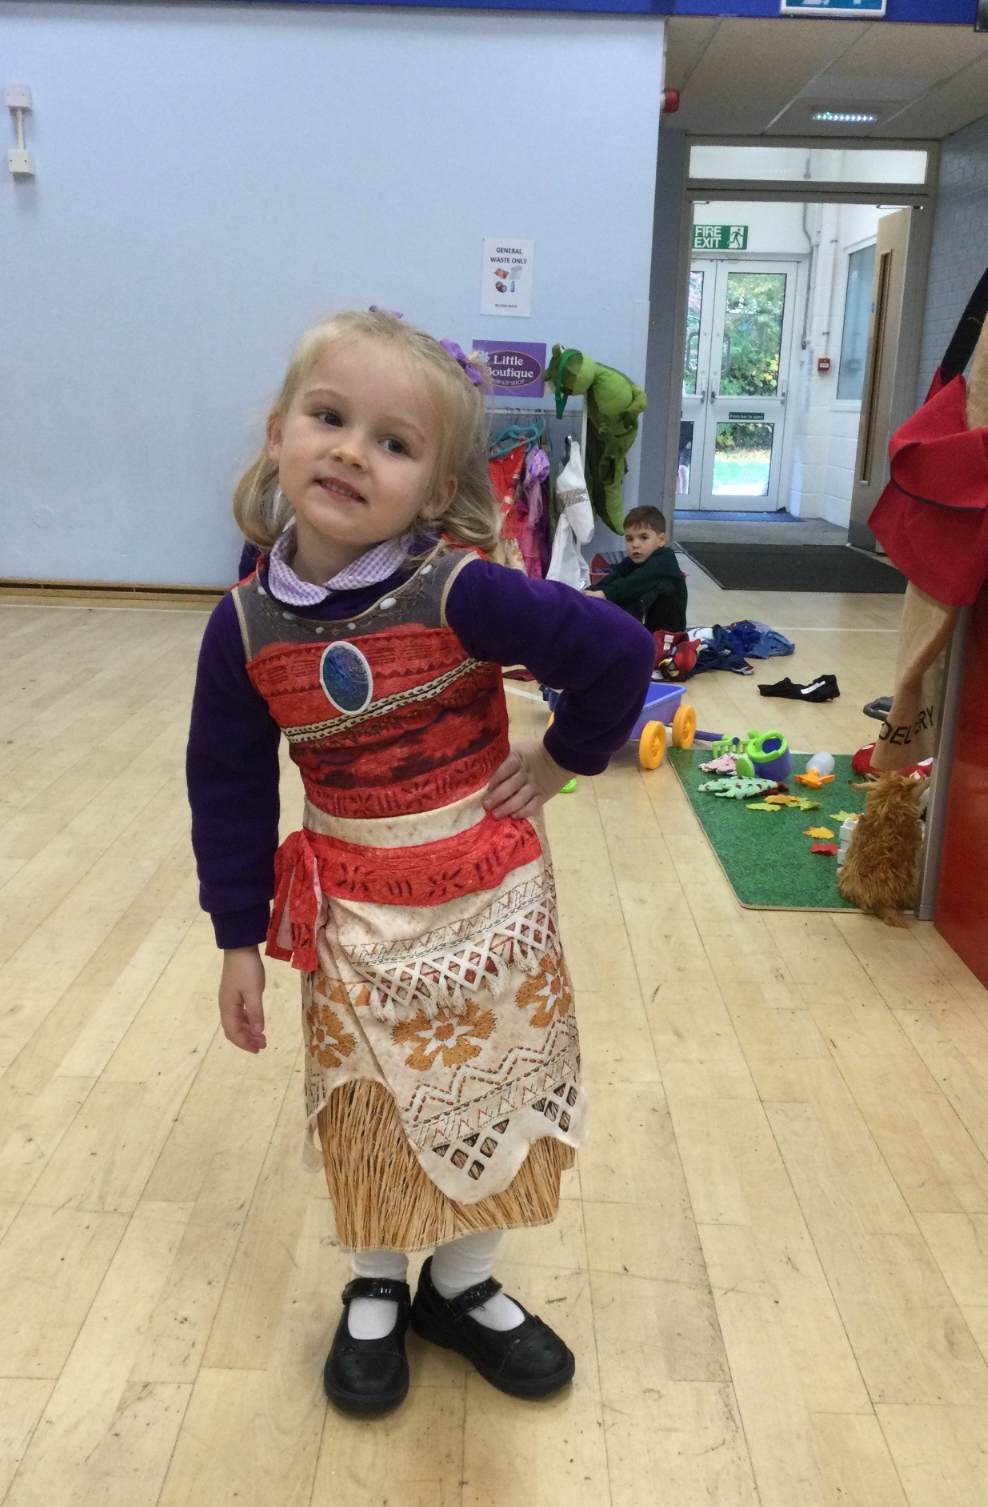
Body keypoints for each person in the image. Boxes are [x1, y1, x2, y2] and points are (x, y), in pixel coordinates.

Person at [187, 310, 653, 1414]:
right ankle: (377, 1285)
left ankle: (463, 1284)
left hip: (493, 914)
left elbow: (620, 650)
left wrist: (563, 759)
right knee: (371, 1111)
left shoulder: (463, 590)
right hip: (352, 924)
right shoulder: (242, 627)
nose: (352, 451)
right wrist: (237, 938)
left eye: (392, 442)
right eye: (329, 418)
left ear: (438, 487)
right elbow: (229, 785)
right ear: (278, 432)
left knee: (496, 1093)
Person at [586, 504, 687, 631]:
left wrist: (604, 594)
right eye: (629, 539)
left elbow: (636, 582)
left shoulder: (665, 561)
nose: (635, 545)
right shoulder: (631, 562)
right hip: (644, 630)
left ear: (661, 540)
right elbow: (612, 578)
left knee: (634, 590)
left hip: (667, 635)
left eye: (643, 538)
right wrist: (587, 593)